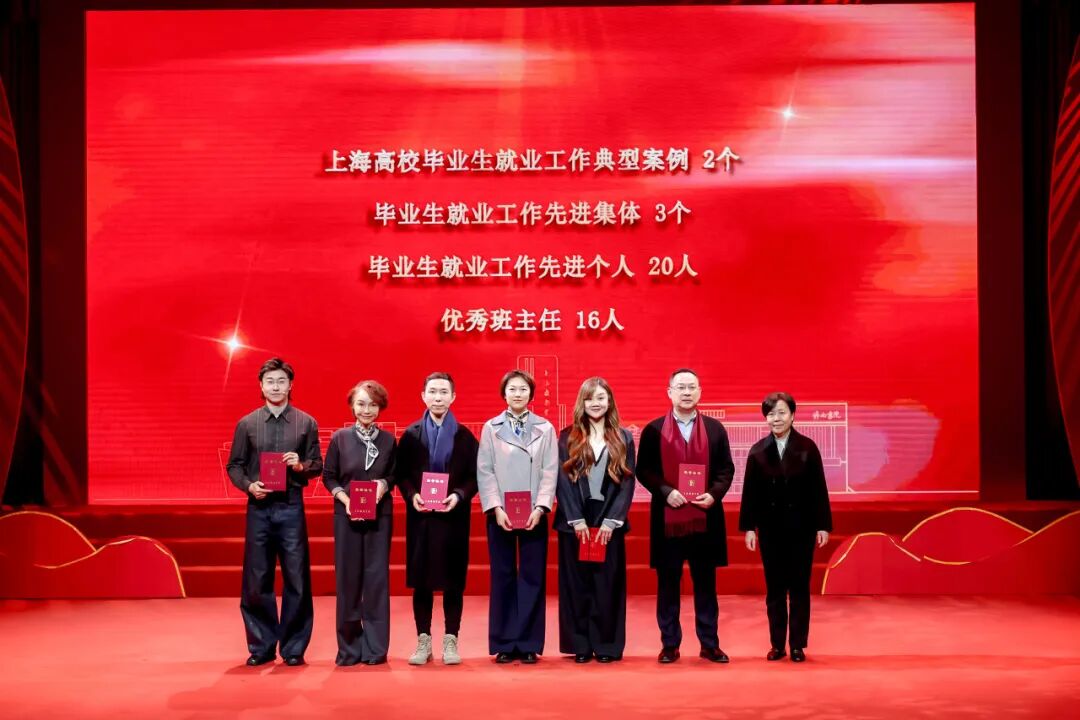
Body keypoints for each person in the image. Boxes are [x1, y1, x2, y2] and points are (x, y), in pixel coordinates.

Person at [226, 357, 322, 667]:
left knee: (297, 578)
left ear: (290, 385)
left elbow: (317, 465)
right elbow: (235, 465)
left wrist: (300, 466)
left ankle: (293, 648)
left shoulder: (306, 423)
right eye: (270, 381)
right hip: (259, 507)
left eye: (281, 381)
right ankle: (261, 646)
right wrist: (249, 486)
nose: (276, 386)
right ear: (261, 385)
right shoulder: (247, 423)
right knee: (257, 578)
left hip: (291, 505)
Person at [636, 368, 735, 664]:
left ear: (700, 392)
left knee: (706, 584)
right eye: (681, 387)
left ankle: (709, 644)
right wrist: (666, 491)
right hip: (668, 519)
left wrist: (714, 494)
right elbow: (644, 470)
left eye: (692, 387)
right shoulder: (653, 430)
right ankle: (669, 644)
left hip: (706, 518)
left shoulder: (715, 429)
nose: (687, 392)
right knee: (668, 583)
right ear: (669, 392)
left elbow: (726, 469)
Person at [739, 392, 832, 663]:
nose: (776, 418)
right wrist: (749, 527)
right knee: (775, 588)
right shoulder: (758, 451)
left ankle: (797, 645)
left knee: (800, 587)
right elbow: (750, 493)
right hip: (770, 530)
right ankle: (777, 644)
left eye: (781, 413)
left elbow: (819, 489)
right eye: (770, 414)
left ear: (792, 415)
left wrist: (823, 525)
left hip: (802, 528)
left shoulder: (807, 448)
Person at [395, 372, 479, 666]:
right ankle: (423, 640)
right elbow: (401, 474)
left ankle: (451, 639)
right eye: (432, 391)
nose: (438, 397)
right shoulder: (410, 435)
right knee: (422, 581)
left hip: (453, 517)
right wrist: (412, 495)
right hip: (421, 518)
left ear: (453, 397)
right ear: (423, 396)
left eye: (444, 392)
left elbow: (474, 477)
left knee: (453, 581)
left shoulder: (465, 437)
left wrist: (458, 495)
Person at [476, 369, 558, 664]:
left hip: (534, 512)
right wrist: (495, 507)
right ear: (504, 393)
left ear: (531, 394)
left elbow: (550, 470)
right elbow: (485, 470)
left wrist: (542, 507)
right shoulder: (491, 428)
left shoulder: (545, 428)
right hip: (500, 513)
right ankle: (504, 642)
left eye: (523, 389)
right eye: (512, 389)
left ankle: (528, 642)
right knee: (503, 575)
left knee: (532, 576)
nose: (518, 394)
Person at [555, 377, 636, 663]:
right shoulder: (567, 436)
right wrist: (575, 519)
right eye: (590, 398)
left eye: (601, 397)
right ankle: (580, 645)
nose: (596, 403)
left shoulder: (623, 437)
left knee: (607, 585)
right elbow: (561, 480)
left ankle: (607, 645)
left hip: (608, 522)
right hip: (574, 520)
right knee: (576, 585)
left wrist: (612, 520)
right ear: (582, 402)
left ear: (609, 401)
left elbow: (627, 482)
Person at [322, 380, 397, 666]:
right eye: (361, 404)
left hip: (380, 516)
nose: (367, 410)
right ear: (352, 406)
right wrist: (345, 500)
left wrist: (382, 486)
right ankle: (349, 649)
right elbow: (329, 476)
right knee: (348, 580)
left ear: (380, 408)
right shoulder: (340, 438)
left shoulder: (388, 440)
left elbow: (393, 475)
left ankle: (375, 649)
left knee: (377, 581)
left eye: (373, 405)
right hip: (347, 516)